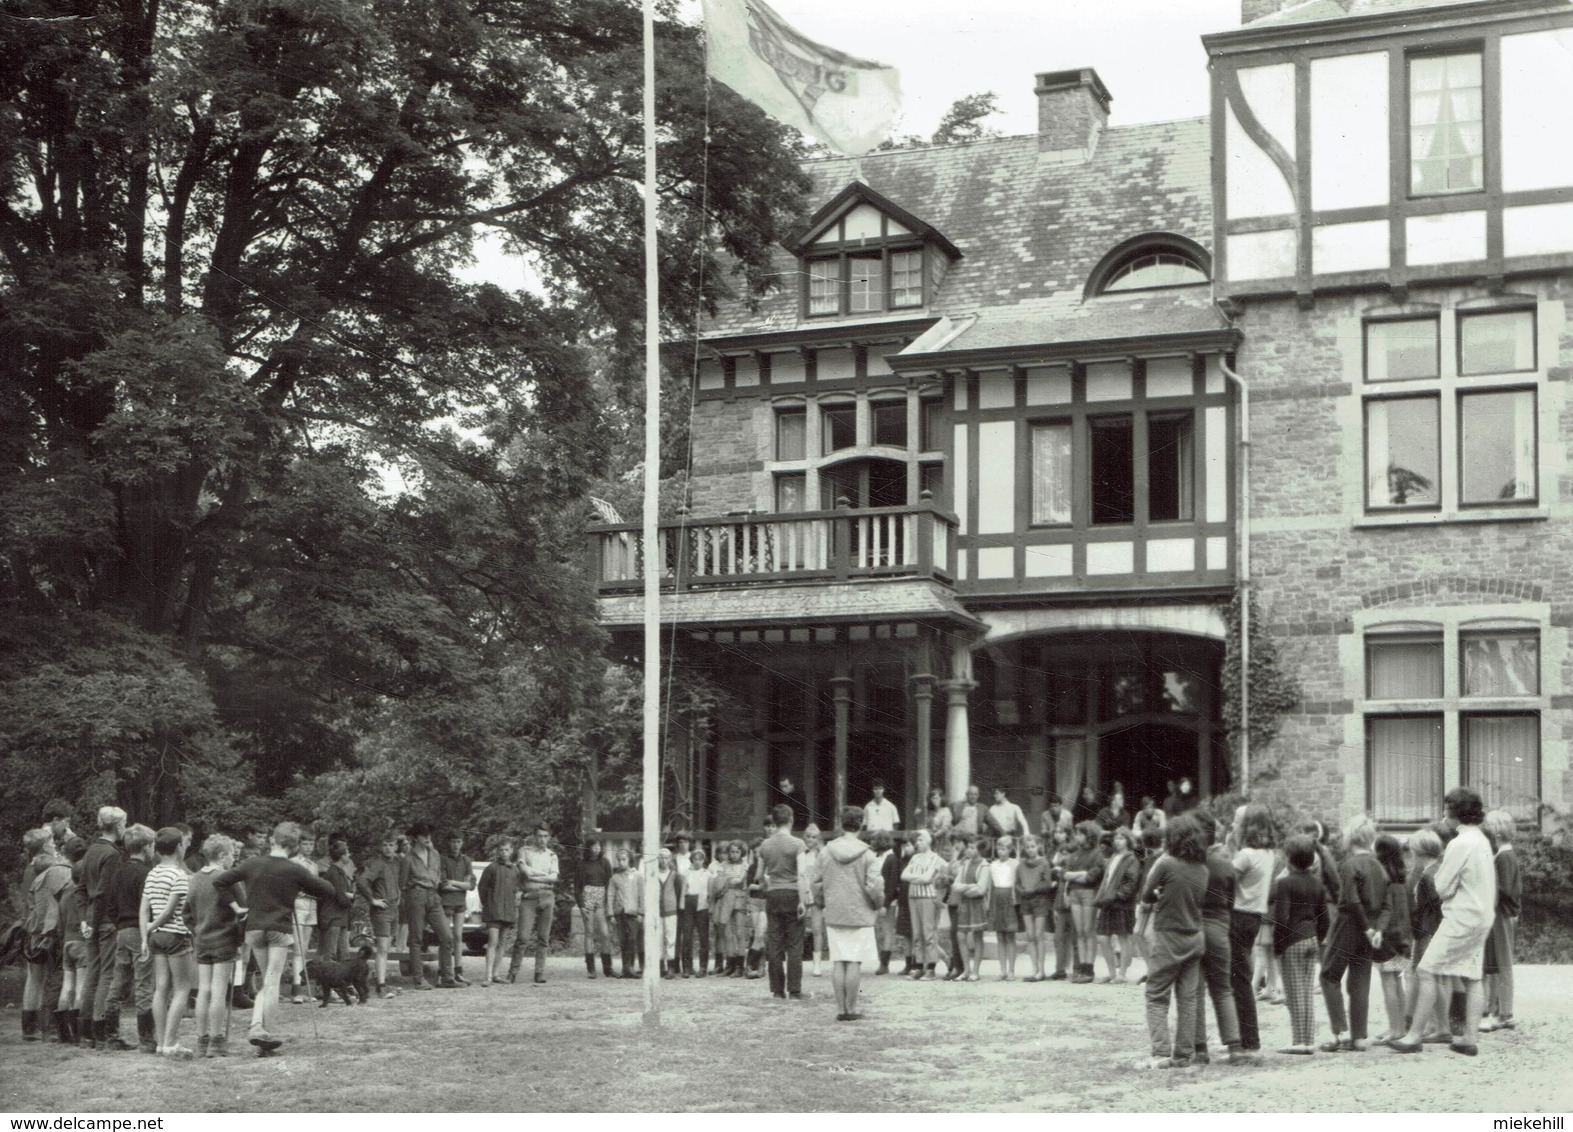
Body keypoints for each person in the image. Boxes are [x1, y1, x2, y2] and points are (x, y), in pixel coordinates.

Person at [212, 821, 349, 1054]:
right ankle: (265, 1033)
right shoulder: (294, 869)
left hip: (254, 929)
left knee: (267, 980)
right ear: (295, 846)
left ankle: (258, 1026)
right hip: (279, 930)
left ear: (272, 840)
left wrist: (237, 908)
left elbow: (220, 881)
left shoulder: (252, 863)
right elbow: (328, 890)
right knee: (272, 982)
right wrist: (302, 890)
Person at [1388, 788, 1497, 1057]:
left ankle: (1414, 1036)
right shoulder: (1481, 839)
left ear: (1454, 813)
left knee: (1426, 970)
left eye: (1447, 810)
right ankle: (1469, 1038)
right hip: (1482, 915)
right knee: (1472, 976)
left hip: (1461, 916)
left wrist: (1450, 890)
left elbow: (1442, 886)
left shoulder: (1459, 844)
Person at [1139, 815, 1210, 1069]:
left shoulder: (1166, 862)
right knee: (1188, 998)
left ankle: (1160, 1053)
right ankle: (1183, 1054)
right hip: (1195, 935)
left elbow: (1146, 893)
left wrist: (1158, 895)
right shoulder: (1202, 868)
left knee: (1156, 994)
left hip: (1169, 934)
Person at [1319, 816, 1386, 1052]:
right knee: (1360, 981)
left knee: (1329, 975)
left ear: (1350, 837)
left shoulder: (1349, 866)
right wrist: (1377, 928)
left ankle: (1341, 1032)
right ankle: (1359, 1036)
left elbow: (1351, 899)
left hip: (1348, 924)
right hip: (1371, 928)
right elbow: (1386, 902)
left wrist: (1367, 926)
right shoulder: (1379, 866)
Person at [813, 806, 884, 1021]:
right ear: (861, 824)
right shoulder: (868, 854)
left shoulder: (826, 851)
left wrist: (823, 902)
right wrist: (877, 904)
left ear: (841, 823)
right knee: (854, 961)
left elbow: (816, 883)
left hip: (835, 912)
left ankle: (840, 1008)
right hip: (860, 914)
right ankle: (851, 1008)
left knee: (838, 960)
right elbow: (874, 886)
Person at [1190, 812, 1244, 1064]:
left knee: (1195, 989)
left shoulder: (1189, 863)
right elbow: (1233, 899)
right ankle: (1234, 1046)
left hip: (1192, 926)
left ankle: (1200, 1049)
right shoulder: (1225, 863)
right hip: (1219, 927)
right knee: (1222, 988)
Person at [140, 827, 197, 1058]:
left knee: (161, 988)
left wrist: (146, 935)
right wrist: (152, 926)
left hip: (156, 938)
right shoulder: (179, 875)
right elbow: (170, 909)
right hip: (176, 935)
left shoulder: (152, 874)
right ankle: (171, 1042)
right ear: (179, 847)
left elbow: (145, 908)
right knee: (182, 989)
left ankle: (161, 1043)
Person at [1271, 834, 1328, 1055]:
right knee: (1306, 992)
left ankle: (1298, 1041)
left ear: (1288, 859)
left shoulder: (1284, 883)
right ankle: (1308, 1039)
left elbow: (1282, 918)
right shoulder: (1317, 883)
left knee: (1295, 994)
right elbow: (1325, 918)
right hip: (1312, 938)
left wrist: (1278, 946)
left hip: (1292, 941)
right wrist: (1318, 936)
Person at [187, 834, 243, 1059]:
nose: (233, 860)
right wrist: (238, 939)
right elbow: (242, 910)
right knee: (219, 990)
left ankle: (202, 1039)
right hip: (224, 939)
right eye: (232, 855)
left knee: (204, 990)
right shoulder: (228, 878)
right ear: (222, 856)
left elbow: (186, 913)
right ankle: (217, 1040)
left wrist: (197, 930)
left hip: (201, 940)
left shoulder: (195, 879)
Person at [79, 805, 127, 1051]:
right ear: (118, 826)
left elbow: (81, 890)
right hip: (105, 921)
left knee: (92, 974)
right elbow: (103, 893)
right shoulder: (111, 854)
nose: (125, 829)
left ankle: (85, 1032)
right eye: (124, 824)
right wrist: (95, 923)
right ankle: (102, 1032)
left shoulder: (90, 851)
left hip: (92, 920)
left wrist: (84, 920)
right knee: (107, 974)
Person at [104, 823, 156, 1052]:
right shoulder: (146, 874)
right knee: (144, 983)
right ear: (146, 847)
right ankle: (146, 1039)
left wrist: (120, 924)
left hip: (122, 932)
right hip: (140, 930)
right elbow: (150, 907)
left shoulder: (118, 872)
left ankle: (111, 1037)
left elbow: (110, 906)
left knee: (118, 983)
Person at [1229, 803, 1276, 1054]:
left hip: (1238, 916)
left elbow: (1225, 881)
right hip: (1254, 917)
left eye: (1237, 820)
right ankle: (1242, 1035)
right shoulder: (1268, 854)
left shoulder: (1246, 855)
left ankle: (1248, 1039)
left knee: (1238, 979)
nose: (1233, 824)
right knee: (1241, 977)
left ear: (1249, 825)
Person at [756, 803, 811, 1000]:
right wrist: (803, 900)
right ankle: (795, 990)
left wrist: (768, 884)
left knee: (775, 943)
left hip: (773, 894)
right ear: (791, 820)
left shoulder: (764, 845)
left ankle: (778, 990)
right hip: (793, 893)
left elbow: (759, 876)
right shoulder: (797, 844)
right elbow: (802, 873)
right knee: (795, 943)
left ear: (775, 821)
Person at [20, 828, 70, 1044]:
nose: (54, 845)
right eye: (51, 842)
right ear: (44, 846)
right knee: (43, 979)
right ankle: (41, 1026)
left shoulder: (30, 869)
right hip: (43, 929)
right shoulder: (47, 868)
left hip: (32, 928)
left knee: (35, 978)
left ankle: (30, 1026)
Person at [401, 822, 460, 989]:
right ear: (415, 837)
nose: (427, 837)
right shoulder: (408, 859)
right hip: (416, 895)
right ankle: (419, 979)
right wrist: (411, 900)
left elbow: (439, 878)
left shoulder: (435, 855)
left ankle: (447, 977)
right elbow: (403, 884)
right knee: (416, 939)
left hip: (433, 896)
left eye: (429, 834)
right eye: (423, 834)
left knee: (447, 936)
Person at [1404, 828, 1448, 1041]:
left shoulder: (1425, 877)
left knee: (1426, 976)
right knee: (1435, 978)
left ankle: (1434, 1025)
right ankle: (1441, 1025)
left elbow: (1428, 906)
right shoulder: (1440, 869)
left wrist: (1413, 924)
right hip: (1435, 930)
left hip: (1426, 931)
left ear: (1419, 853)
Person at [1480, 809, 1520, 1034]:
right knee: (1499, 962)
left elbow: (1504, 889)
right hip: (1505, 913)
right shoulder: (1507, 854)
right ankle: (1498, 1008)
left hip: (1502, 914)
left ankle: (1505, 1012)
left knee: (1503, 963)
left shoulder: (1503, 856)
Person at [1371, 833, 1413, 1043]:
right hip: (1404, 936)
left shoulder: (1382, 881)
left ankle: (1394, 1028)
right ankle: (1401, 1027)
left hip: (1387, 935)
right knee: (1398, 982)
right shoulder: (1403, 879)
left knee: (1388, 982)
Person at [356, 834, 402, 998]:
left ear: (396, 847)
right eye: (385, 845)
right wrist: (372, 900)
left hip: (394, 908)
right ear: (381, 847)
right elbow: (361, 881)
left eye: (391, 845)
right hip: (381, 910)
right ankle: (380, 986)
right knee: (382, 948)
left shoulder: (396, 863)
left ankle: (382, 983)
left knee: (387, 947)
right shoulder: (377, 864)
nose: (388, 848)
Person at [513, 824, 560, 985]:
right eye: (539, 836)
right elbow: (525, 873)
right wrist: (543, 875)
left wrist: (534, 875)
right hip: (529, 897)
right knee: (522, 937)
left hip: (547, 896)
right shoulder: (524, 851)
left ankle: (539, 972)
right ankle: (513, 972)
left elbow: (553, 878)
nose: (542, 839)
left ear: (549, 837)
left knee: (543, 937)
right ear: (534, 836)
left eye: (545, 836)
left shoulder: (552, 855)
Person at [1094, 827, 1141, 984]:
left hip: (1122, 903)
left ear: (1128, 840)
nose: (1118, 841)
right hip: (1108, 901)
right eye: (1116, 838)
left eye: (1121, 838)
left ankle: (1122, 974)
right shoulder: (1113, 856)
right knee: (1102, 937)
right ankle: (1112, 973)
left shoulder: (1131, 859)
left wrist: (1118, 895)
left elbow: (1132, 881)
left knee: (1123, 937)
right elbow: (1106, 880)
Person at [1062, 821, 1105, 982]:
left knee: (1088, 930)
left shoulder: (1097, 854)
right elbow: (1064, 874)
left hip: (1089, 893)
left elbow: (1091, 877)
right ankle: (1081, 967)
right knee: (1079, 931)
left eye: (1080, 833)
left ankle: (1089, 969)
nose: (1077, 836)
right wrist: (1080, 874)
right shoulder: (1075, 853)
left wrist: (1075, 875)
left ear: (1089, 835)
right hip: (1074, 893)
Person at [900, 829, 944, 981]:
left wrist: (914, 878)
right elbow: (903, 875)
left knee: (928, 932)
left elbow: (927, 878)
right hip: (913, 896)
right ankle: (918, 966)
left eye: (921, 840)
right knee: (916, 933)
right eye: (917, 841)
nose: (918, 844)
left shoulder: (935, 858)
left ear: (928, 841)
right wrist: (918, 878)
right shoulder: (915, 858)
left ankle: (931, 967)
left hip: (928, 898)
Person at [476, 837, 518, 986]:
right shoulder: (491, 868)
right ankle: (487, 976)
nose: (504, 853)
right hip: (493, 910)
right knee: (492, 941)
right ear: (497, 851)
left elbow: (515, 889)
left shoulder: (514, 870)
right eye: (501, 850)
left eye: (507, 850)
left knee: (502, 943)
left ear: (511, 851)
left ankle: (496, 974)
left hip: (508, 911)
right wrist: (488, 904)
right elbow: (482, 888)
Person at [1014, 834, 1054, 982]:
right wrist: (1021, 890)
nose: (1030, 850)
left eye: (1032, 847)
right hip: (1026, 901)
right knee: (1030, 936)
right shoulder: (1021, 864)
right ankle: (1034, 968)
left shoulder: (1043, 863)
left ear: (1038, 847)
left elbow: (1047, 883)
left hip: (1040, 900)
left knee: (1038, 935)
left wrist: (1034, 890)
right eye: (1027, 847)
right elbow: (1017, 882)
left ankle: (1042, 970)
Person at [953, 836, 991, 982]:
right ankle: (966, 970)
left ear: (980, 850)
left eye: (972, 847)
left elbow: (981, 889)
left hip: (977, 904)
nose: (968, 850)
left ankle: (976, 971)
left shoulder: (985, 866)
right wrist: (968, 887)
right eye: (968, 847)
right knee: (961, 936)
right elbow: (956, 884)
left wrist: (967, 889)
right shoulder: (965, 864)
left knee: (977, 936)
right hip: (964, 903)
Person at [288, 832, 320, 1004]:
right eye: (305, 844)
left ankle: (301, 987)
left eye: (311, 844)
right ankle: (296, 989)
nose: (308, 847)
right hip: (298, 905)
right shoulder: (293, 862)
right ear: (299, 845)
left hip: (311, 905)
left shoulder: (313, 865)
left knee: (305, 948)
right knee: (298, 948)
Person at [576, 839, 615, 980]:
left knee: (605, 933)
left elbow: (610, 883)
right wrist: (581, 905)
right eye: (594, 846)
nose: (596, 848)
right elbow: (577, 887)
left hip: (601, 899)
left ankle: (608, 968)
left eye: (599, 845)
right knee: (589, 933)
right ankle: (591, 969)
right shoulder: (582, 864)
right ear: (589, 848)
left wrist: (608, 903)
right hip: (587, 898)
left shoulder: (605, 862)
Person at [711, 841, 751, 977]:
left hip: (739, 900)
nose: (734, 855)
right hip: (725, 900)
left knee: (739, 933)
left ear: (742, 852)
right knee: (727, 933)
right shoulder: (723, 865)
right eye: (732, 852)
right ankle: (730, 964)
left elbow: (739, 881)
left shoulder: (745, 866)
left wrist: (727, 880)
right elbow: (718, 883)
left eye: (737, 852)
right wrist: (727, 881)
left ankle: (740, 966)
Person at [439, 832, 474, 985]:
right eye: (453, 841)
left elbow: (471, 885)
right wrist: (460, 885)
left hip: (460, 903)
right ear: (449, 842)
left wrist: (454, 883)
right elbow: (443, 884)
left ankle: (458, 971)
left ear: (462, 843)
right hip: (446, 903)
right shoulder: (443, 859)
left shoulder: (466, 860)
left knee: (458, 937)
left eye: (458, 841)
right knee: (446, 938)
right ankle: (443, 972)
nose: (455, 845)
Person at [987, 835, 1020, 980]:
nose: (1002, 852)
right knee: (1000, 935)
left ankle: (1012, 970)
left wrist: (1015, 898)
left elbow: (1015, 883)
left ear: (1010, 850)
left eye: (1005, 849)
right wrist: (988, 903)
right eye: (999, 849)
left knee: (1010, 935)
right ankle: (1002, 970)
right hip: (997, 898)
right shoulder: (993, 865)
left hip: (1009, 898)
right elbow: (990, 886)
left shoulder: (1015, 864)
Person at [868, 831, 900, 975]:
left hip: (887, 901)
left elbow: (892, 884)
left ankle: (884, 963)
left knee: (887, 931)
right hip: (876, 900)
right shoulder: (878, 857)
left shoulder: (891, 858)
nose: (872, 844)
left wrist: (885, 905)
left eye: (875, 841)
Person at [608, 848, 642, 978]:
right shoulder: (615, 877)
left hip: (632, 912)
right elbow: (610, 895)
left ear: (629, 860)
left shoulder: (637, 876)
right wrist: (611, 914)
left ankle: (631, 968)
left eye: (624, 859)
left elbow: (641, 895)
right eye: (619, 860)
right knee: (623, 940)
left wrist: (641, 912)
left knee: (632, 939)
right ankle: (625, 968)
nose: (621, 862)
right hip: (619, 912)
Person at [318, 840, 354, 964]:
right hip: (333, 919)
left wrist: (347, 896)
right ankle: (326, 982)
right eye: (347, 852)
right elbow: (342, 899)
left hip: (340, 918)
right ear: (342, 856)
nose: (349, 855)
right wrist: (352, 899)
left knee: (343, 954)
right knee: (331, 955)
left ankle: (341, 981)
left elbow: (341, 894)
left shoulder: (339, 872)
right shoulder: (335, 874)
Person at [679, 847, 712, 978]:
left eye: (700, 859)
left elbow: (710, 892)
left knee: (703, 937)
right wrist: (682, 905)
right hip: (688, 904)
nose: (697, 862)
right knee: (687, 936)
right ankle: (687, 967)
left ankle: (703, 967)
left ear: (704, 860)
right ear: (691, 860)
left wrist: (709, 907)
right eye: (695, 859)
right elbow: (683, 890)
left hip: (702, 905)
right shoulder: (686, 873)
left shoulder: (708, 874)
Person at [1048, 828, 1075, 980]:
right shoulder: (1059, 872)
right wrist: (1055, 909)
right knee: (1058, 937)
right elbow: (1058, 891)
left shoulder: (1072, 870)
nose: (1064, 857)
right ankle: (1060, 969)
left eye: (1067, 854)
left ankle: (1072, 968)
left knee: (1072, 938)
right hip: (1061, 907)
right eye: (1062, 854)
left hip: (1073, 906)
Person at [801, 825, 828, 977]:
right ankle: (795, 960)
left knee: (817, 929)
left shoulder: (821, 855)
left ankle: (817, 963)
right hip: (802, 893)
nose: (810, 839)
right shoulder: (800, 854)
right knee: (798, 927)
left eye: (814, 837)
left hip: (816, 894)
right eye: (808, 836)